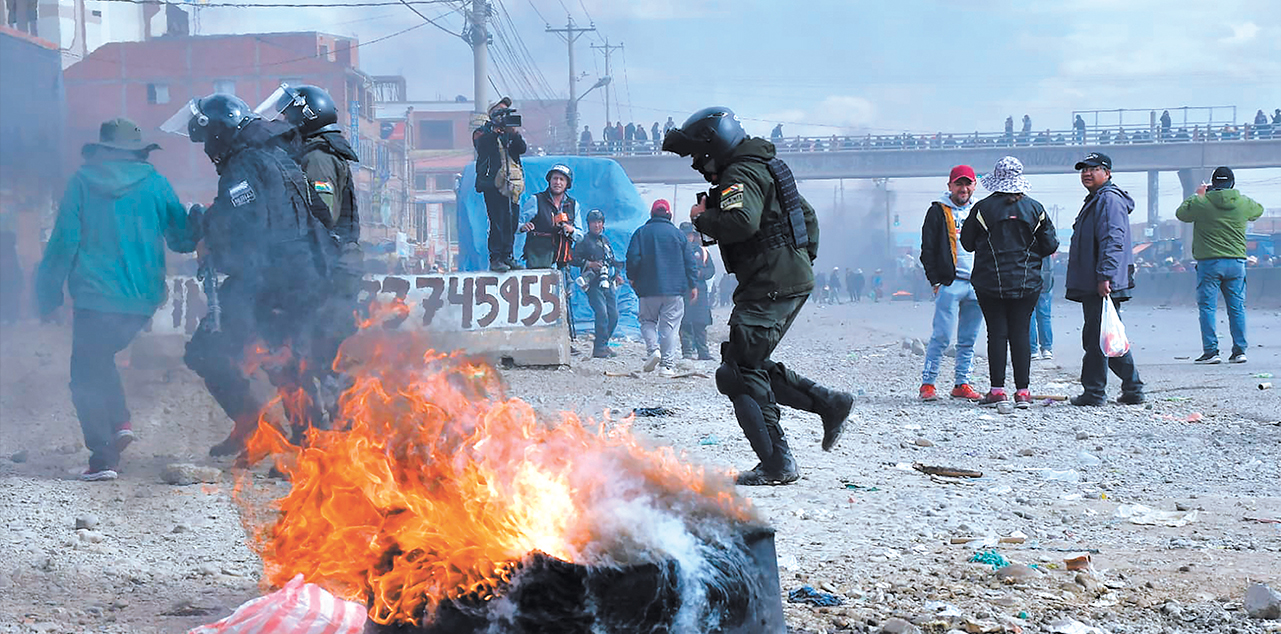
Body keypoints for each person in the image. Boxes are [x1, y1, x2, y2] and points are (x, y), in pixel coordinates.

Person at [664, 106, 853, 486]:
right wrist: (796, 260)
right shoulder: (766, 166)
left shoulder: (741, 172)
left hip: (772, 282)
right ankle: (829, 403)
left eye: (701, 158)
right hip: (780, 278)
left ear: (714, 146)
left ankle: (778, 464)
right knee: (743, 362)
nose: (700, 167)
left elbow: (741, 221)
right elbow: (808, 218)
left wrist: (702, 217)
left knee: (738, 372)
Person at [162, 93, 337, 456]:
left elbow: (245, 223)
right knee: (286, 358)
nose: (206, 149)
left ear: (219, 134)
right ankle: (295, 440)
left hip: (276, 278)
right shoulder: (270, 155)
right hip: (296, 274)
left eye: (206, 139)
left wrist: (204, 224)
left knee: (211, 352)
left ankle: (271, 433)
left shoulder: (246, 164)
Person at [35, 118, 198, 480]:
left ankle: (103, 456)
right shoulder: (156, 184)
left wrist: (47, 294)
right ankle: (120, 422)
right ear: (139, 152)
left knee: (84, 372)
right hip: (142, 299)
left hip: (95, 296)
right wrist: (200, 219)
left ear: (102, 149)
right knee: (99, 357)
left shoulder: (81, 183)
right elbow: (183, 239)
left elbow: (63, 242)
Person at [256, 84, 362, 414]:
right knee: (313, 359)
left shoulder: (317, 159)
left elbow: (323, 214)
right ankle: (328, 439)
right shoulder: (316, 153)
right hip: (330, 269)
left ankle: (339, 434)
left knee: (314, 359)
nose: (283, 120)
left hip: (332, 272)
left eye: (288, 114)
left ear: (305, 117)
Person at [960, 157, 1059, 409]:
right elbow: (1050, 245)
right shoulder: (1035, 209)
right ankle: (1023, 392)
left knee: (997, 333)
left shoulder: (982, 209)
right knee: (1021, 332)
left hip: (989, 282)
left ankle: (996, 390)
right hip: (1027, 282)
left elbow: (968, 243)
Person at [1065, 152, 1144, 406]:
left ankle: (1096, 392)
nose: (1086, 173)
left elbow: (1113, 239)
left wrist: (1106, 275)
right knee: (1104, 336)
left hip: (1102, 280)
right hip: (1095, 278)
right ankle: (1131, 389)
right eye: (1083, 169)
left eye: (1093, 168)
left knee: (1101, 337)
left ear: (1107, 172)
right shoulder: (1096, 199)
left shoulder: (1108, 200)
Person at [1175, 166, 1264, 364]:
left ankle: (1211, 352)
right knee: (1237, 308)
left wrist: (1197, 194)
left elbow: (1181, 214)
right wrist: (1238, 199)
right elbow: (1259, 210)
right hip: (1236, 262)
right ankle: (1239, 351)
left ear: (1213, 184)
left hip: (1209, 263)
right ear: (1232, 183)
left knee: (1207, 307)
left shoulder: (1202, 202)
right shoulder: (1243, 202)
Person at [918, 165, 984, 402]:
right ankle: (928, 384)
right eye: (959, 184)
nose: (963, 188)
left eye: (968, 184)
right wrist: (936, 281)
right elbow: (927, 249)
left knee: (968, 339)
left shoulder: (981, 211)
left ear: (974, 185)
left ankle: (961, 383)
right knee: (942, 336)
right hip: (950, 283)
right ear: (950, 186)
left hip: (976, 284)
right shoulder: (937, 211)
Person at [626, 200, 696, 373]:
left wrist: (632, 278)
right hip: (674, 291)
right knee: (669, 327)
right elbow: (690, 262)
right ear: (669, 214)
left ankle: (653, 350)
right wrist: (693, 285)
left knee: (647, 322)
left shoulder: (641, 233)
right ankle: (667, 366)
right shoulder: (679, 235)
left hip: (647, 289)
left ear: (652, 214)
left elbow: (633, 258)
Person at [472, 97, 526, 272]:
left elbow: (522, 148)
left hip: (511, 183)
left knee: (512, 219)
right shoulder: (482, 132)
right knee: (498, 221)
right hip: (492, 183)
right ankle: (496, 257)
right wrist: (495, 132)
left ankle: (508, 256)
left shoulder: (509, 133)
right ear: (492, 114)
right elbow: (483, 146)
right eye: (500, 112)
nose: (504, 116)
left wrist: (513, 133)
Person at [573, 209, 623, 358]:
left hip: (607, 282)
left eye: (599, 222)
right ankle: (599, 348)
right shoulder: (583, 240)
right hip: (592, 284)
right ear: (589, 224)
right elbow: (572, 258)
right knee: (602, 313)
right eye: (594, 222)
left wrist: (618, 274)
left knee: (613, 315)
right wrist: (589, 264)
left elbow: (610, 260)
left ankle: (603, 344)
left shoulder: (605, 241)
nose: (597, 225)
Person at [520, 164, 580, 269]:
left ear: (567, 184)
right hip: (538, 260)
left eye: (562, 179)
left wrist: (572, 230)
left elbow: (581, 235)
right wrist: (522, 227)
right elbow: (516, 223)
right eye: (555, 178)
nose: (558, 182)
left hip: (563, 262)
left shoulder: (573, 205)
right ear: (549, 180)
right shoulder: (536, 200)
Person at [679, 222, 716, 360]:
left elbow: (711, 270)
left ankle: (703, 352)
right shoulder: (677, 250)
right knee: (685, 322)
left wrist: (700, 274)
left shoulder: (703, 251)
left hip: (701, 291)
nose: (688, 237)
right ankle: (687, 352)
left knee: (700, 323)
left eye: (690, 234)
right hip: (683, 290)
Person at [1028, 253, 1055, 360]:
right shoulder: (1045, 237)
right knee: (1045, 316)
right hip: (1045, 278)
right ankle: (1047, 349)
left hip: (1028, 279)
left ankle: (1032, 350)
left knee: (1030, 315)